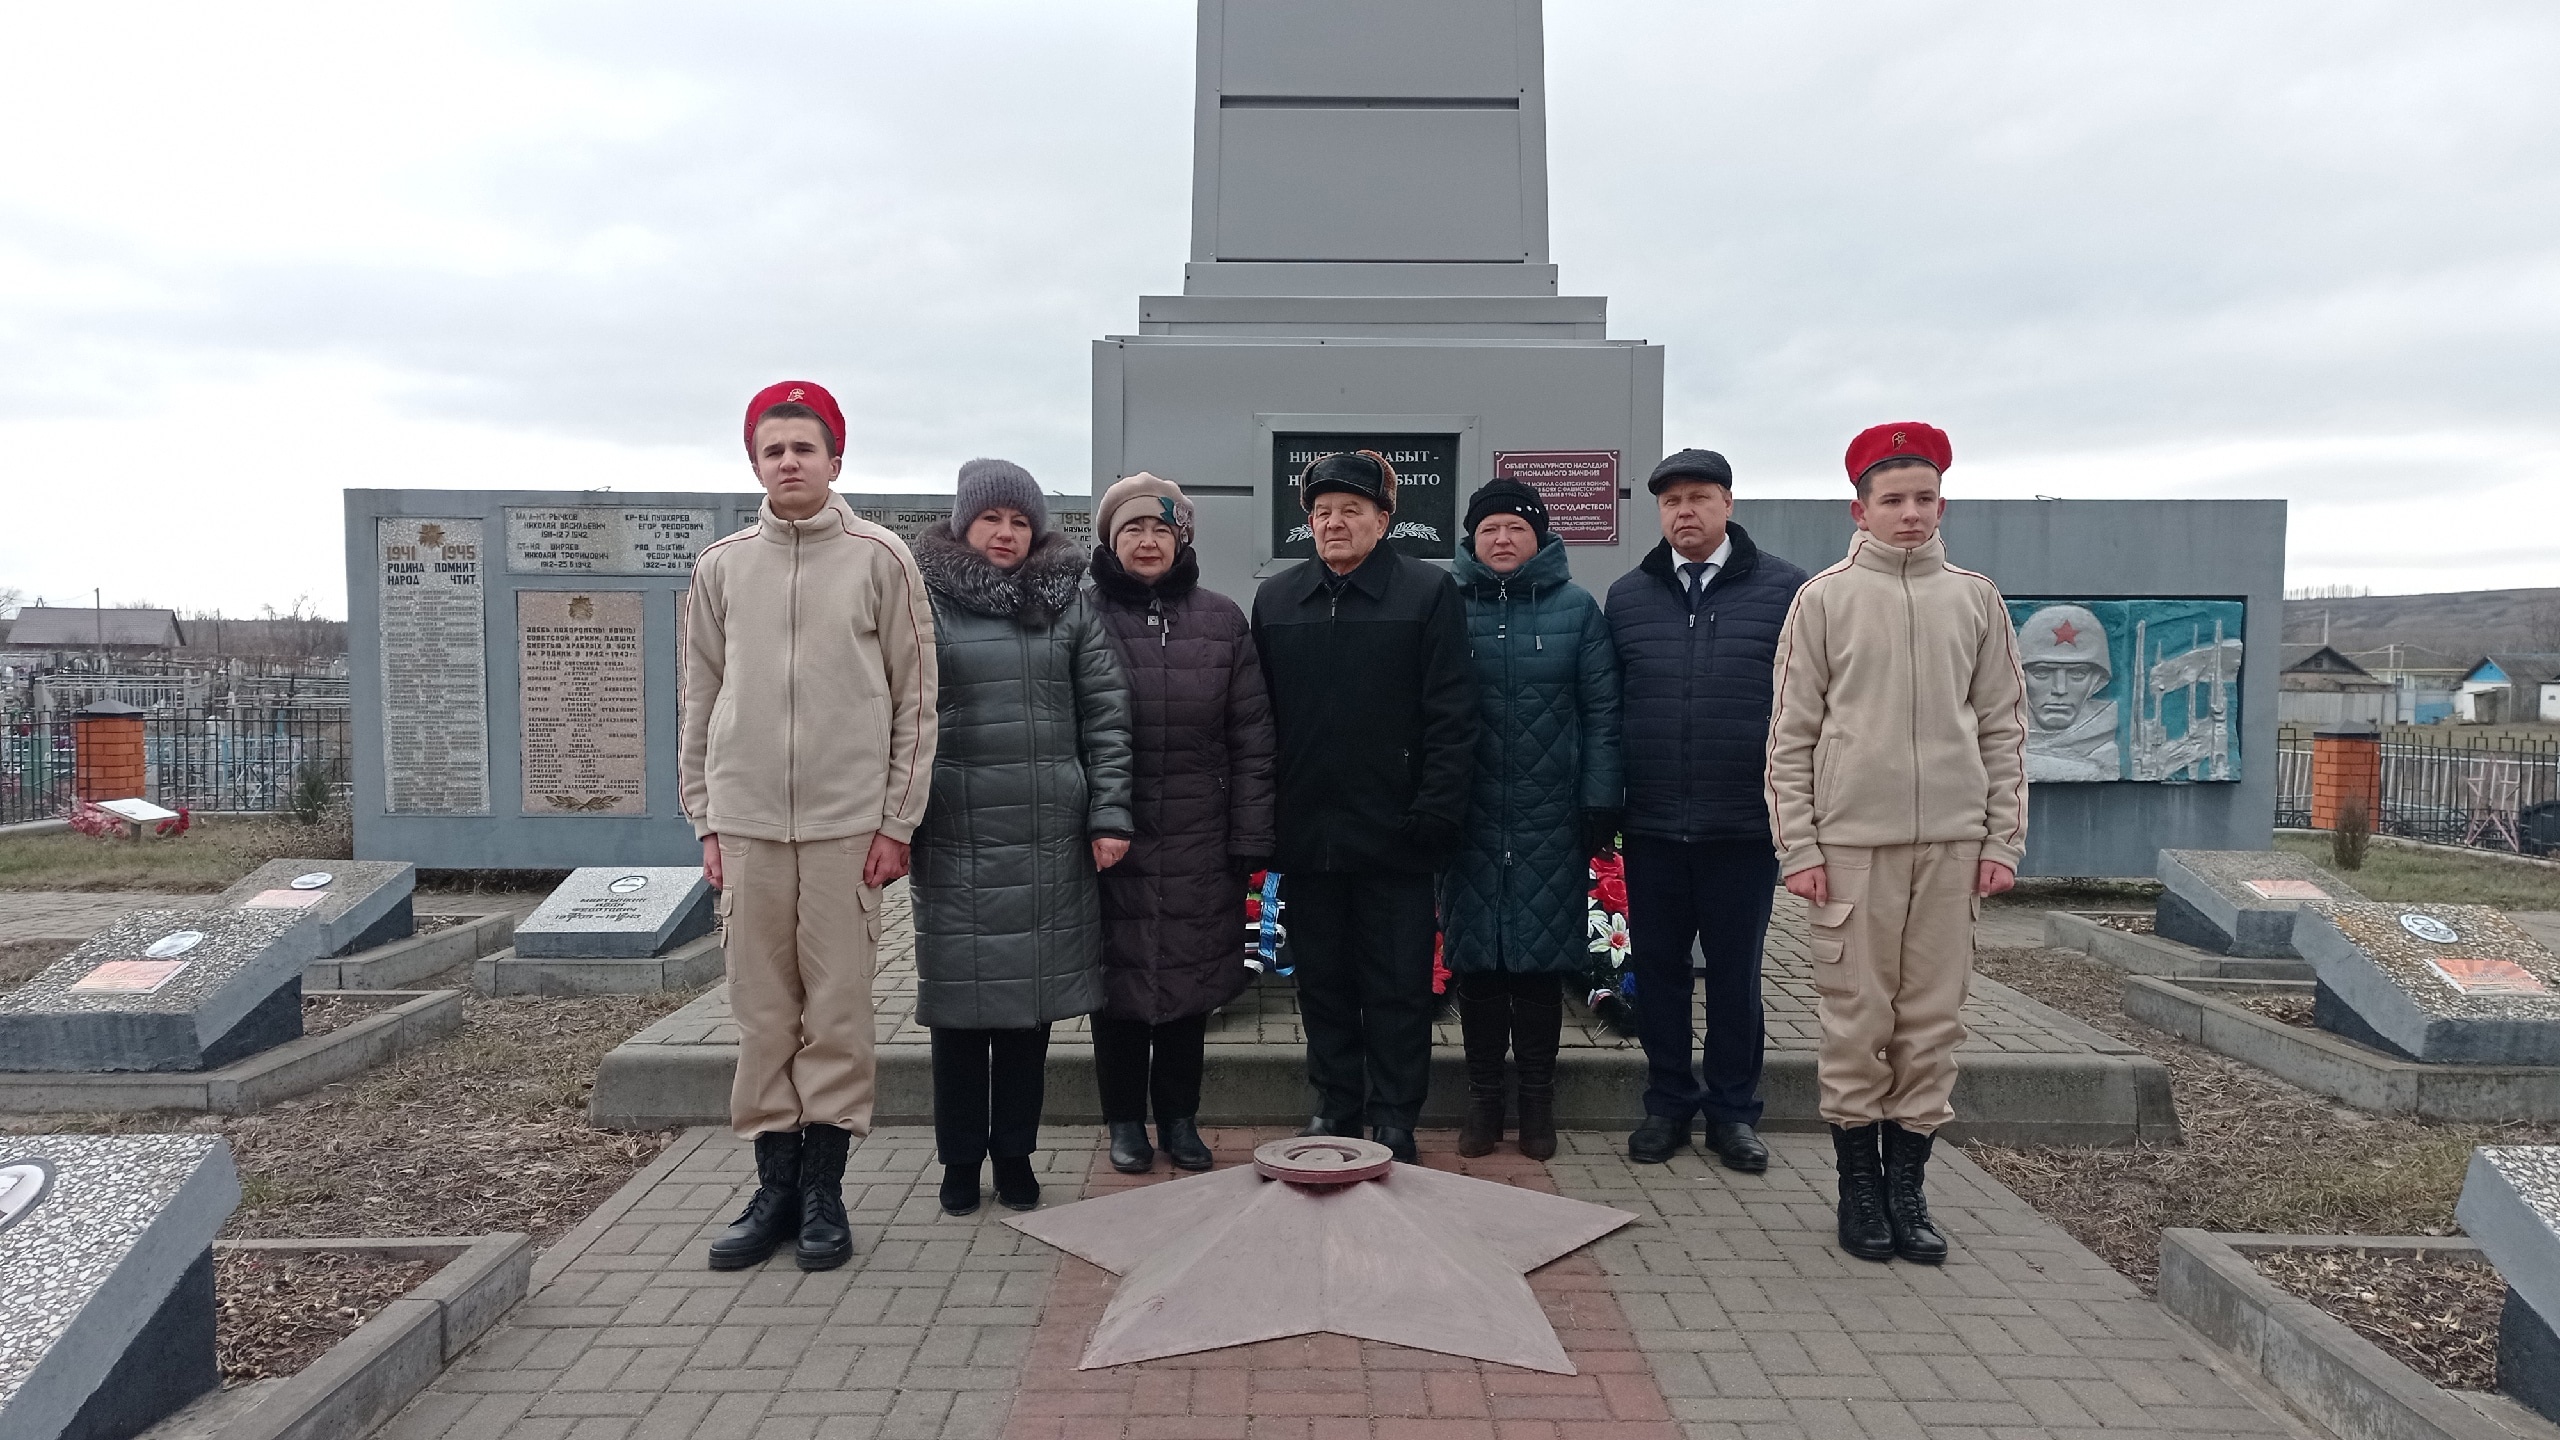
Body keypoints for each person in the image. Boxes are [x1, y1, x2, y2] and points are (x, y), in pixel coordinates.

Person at [681, 380, 938, 1272]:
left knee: (835, 1014)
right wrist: (706, 819)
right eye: (772, 449)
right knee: (760, 1013)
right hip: (748, 826)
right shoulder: (721, 566)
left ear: (836, 458)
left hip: (844, 829)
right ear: (753, 462)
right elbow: (701, 695)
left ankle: (825, 1189)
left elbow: (917, 698)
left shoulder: (881, 558)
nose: (789, 462)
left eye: (804, 447)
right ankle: (774, 1186)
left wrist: (897, 819)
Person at [1764, 422, 2028, 1265]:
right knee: (1856, 1020)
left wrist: (2002, 838)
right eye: (1894, 500)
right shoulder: (1825, 599)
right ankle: (1858, 1190)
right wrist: (1798, 847)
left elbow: (2003, 726)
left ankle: (1908, 1189)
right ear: (1860, 508)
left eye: (1924, 498)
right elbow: (1792, 733)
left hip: (1952, 844)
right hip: (1851, 847)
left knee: (1932, 1022)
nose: (1911, 514)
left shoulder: (1976, 598)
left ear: (1941, 503)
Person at [910, 459, 1134, 1217]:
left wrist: (1109, 814)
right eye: (990, 520)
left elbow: (1105, 716)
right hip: (956, 833)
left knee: (1030, 1017)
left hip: (1047, 838)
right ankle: (958, 1160)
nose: (1005, 534)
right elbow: (899, 717)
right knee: (960, 1014)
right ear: (963, 526)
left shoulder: (1067, 604)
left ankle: (1015, 1155)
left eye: (1018, 521)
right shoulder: (924, 603)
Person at [1251, 450, 1476, 1164]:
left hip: (1398, 835)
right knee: (1323, 984)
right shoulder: (1278, 600)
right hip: (1310, 836)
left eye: (1351, 510)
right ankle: (1335, 1104)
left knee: (1397, 986)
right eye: (1321, 512)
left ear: (1384, 520)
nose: (1334, 523)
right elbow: (1260, 721)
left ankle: (1395, 1116)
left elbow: (1451, 713)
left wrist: (1435, 809)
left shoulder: (1426, 594)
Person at [1604, 450, 1808, 1172]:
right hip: (1654, 822)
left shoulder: (1786, 591)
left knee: (1733, 977)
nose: (1684, 512)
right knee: (1657, 972)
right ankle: (1666, 1104)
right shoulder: (1629, 596)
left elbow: (1808, 706)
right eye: (1670, 502)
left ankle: (1732, 1113)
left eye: (1698, 497)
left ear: (1728, 503)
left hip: (1742, 825)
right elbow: (1610, 706)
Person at [1085, 472, 1277, 1174]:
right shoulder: (1081, 618)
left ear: (1182, 539)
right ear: (1111, 539)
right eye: (1132, 529)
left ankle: (1181, 1119)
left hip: (1201, 835)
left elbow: (1252, 737)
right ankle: (1124, 1123)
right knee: (1119, 985)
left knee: (1190, 987)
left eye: (1160, 529)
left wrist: (1250, 836)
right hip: (1112, 837)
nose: (1146, 541)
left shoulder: (1222, 620)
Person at [1442, 477, 1620, 1161]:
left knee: (1542, 965)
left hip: (1551, 819)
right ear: (1473, 539)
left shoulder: (1578, 611)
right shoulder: (1447, 607)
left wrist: (1599, 800)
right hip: (1472, 820)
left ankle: (1538, 1102)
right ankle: (1484, 1098)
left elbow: (1603, 713)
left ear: (1539, 536)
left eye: (1516, 528)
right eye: (1490, 530)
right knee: (1479, 966)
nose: (1503, 540)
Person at [2016, 604, 2122, 781]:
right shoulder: (1999, 729)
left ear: (2096, 681)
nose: (2060, 689)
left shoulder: (2106, 746)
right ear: (2020, 675)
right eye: (2042, 673)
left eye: (2077, 674)